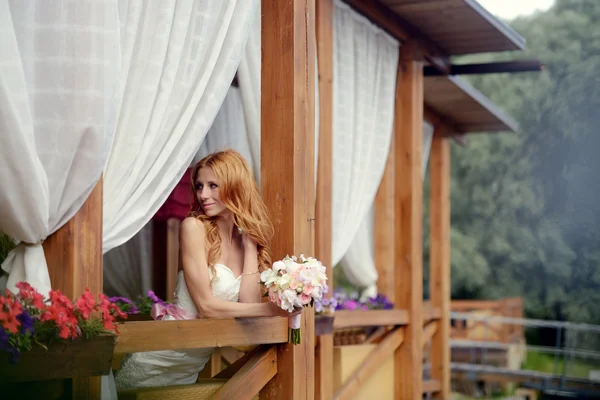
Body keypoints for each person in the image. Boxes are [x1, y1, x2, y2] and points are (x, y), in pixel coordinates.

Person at [114, 149, 290, 390]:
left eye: (213, 185)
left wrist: (250, 247)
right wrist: (270, 308)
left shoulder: (244, 242)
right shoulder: (193, 227)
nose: (203, 194)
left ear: (235, 186)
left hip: (192, 365)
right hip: (163, 354)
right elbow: (206, 307)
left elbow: (247, 305)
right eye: (199, 186)